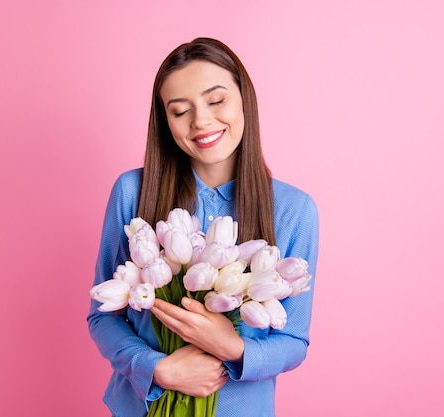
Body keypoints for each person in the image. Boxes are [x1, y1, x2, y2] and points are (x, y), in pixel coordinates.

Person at [87, 37, 319, 417]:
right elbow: (102, 315)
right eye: (180, 111)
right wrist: (157, 368)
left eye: (216, 101)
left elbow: (293, 340)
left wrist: (233, 348)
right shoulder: (132, 192)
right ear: (165, 120)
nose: (201, 121)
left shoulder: (295, 210)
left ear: (244, 98)